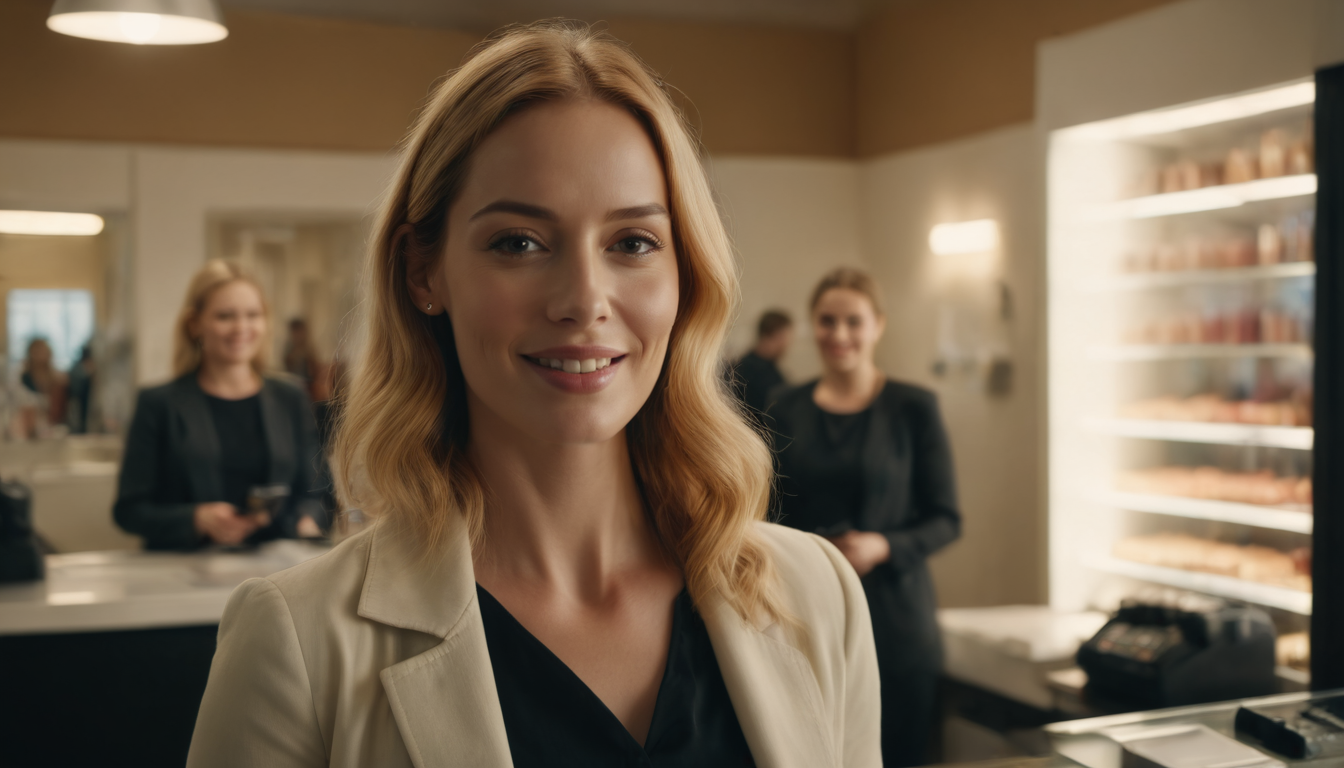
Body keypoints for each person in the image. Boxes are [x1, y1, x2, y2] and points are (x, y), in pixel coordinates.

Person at [187, 22, 880, 768]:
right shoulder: (297, 639)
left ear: (687, 274)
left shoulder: (818, 595)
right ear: (425, 273)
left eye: (633, 243)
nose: (585, 300)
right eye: (519, 242)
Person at [768, 267, 961, 767]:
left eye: (853, 321)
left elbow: (946, 517)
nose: (839, 335)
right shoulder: (783, 407)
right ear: (812, 326)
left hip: (895, 622)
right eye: (827, 321)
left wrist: (884, 545)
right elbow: (766, 512)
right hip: (805, 613)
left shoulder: (914, 407)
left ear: (878, 325)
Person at [113, 260, 326, 550]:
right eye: (225, 316)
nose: (241, 327)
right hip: (184, 573)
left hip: (278, 572)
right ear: (195, 324)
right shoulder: (158, 404)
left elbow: (319, 492)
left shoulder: (291, 397)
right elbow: (129, 511)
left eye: (253, 315)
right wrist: (195, 519)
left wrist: (306, 522)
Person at [728, 309, 793, 416]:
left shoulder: (738, 366)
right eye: (786, 338)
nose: (787, 346)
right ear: (777, 335)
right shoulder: (767, 377)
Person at [20, 338, 68, 429]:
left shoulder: (57, 379)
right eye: (37, 351)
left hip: (54, 425)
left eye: (43, 350)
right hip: (31, 425)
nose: (40, 355)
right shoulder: (25, 378)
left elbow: (58, 410)